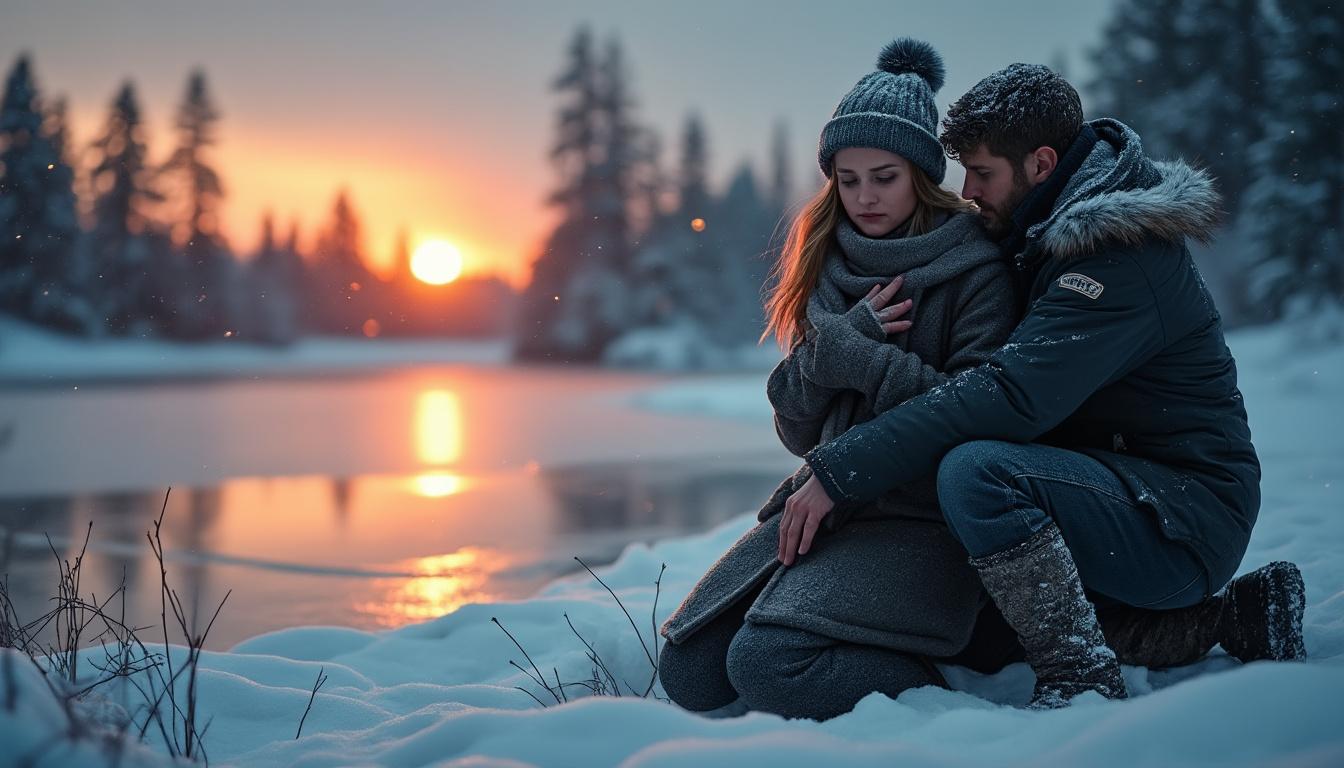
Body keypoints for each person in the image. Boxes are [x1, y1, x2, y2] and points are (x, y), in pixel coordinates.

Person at [778, 63, 1307, 709]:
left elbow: (1008, 395)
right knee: (974, 616)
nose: (967, 190)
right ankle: (1229, 621)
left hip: (1182, 516)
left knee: (981, 473)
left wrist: (842, 468)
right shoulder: (1041, 237)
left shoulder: (1117, 258)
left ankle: (1080, 676)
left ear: (1041, 162)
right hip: (1107, 488)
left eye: (982, 172)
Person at [657, 39, 1022, 721]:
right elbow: (797, 427)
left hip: (923, 524)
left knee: (766, 664)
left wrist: (863, 360)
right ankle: (839, 626)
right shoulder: (829, 262)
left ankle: (938, 686)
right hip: (825, 503)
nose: (863, 197)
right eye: (847, 179)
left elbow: (977, 416)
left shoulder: (977, 271)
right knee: (690, 668)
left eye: (883, 177)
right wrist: (832, 354)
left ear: (919, 173)